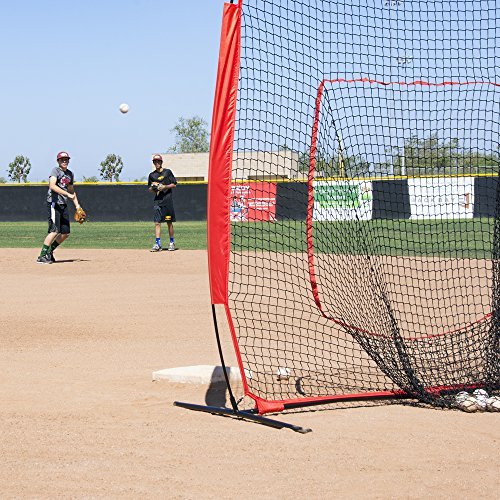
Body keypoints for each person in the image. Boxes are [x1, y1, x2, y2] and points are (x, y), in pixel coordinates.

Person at [36, 151, 82, 264]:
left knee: (65, 233)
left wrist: (78, 207)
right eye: (62, 159)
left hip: (63, 204)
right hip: (54, 203)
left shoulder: (70, 174)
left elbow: (71, 191)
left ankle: (49, 252)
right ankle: (42, 256)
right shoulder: (55, 171)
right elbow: (52, 186)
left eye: (66, 159)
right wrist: (66, 194)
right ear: (58, 161)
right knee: (54, 230)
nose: (64, 161)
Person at [148, 154, 177, 251]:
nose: (157, 163)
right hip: (158, 201)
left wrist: (164, 186)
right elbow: (150, 189)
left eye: (158, 161)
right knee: (157, 222)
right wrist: (154, 187)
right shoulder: (152, 175)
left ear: (161, 162)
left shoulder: (167, 172)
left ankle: (172, 242)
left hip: (167, 201)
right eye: (155, 161)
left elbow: (174, 184)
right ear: (153, 163)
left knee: (169, 222)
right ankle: (157, 244)